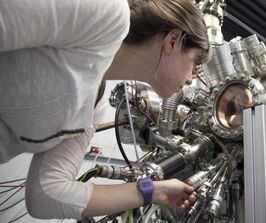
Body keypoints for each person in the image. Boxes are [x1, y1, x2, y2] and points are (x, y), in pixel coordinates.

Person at [0, 0, 210, 220]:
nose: (190, 79)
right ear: (173, 41)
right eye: (195, 63)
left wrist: (153, 191)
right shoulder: (106, 13)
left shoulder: (94, 104)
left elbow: (47, 194)